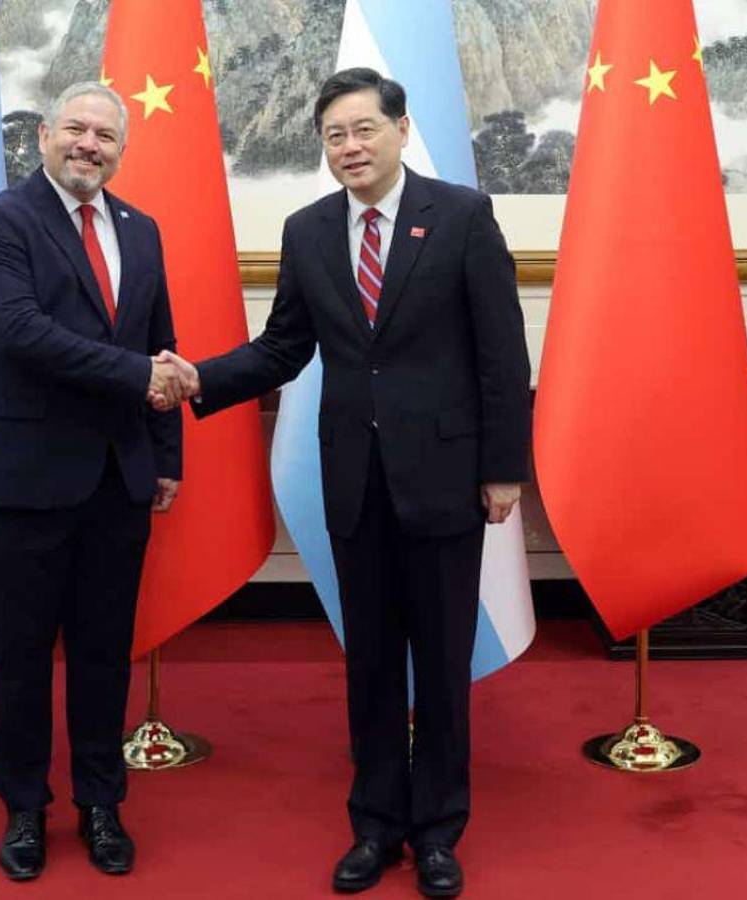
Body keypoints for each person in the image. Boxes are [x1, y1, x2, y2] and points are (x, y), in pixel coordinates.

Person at [158, 68, 531, 898]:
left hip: (444, 478)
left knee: (441, 663)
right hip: (355, 482)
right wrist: (200, 379)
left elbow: (502, 354)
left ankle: (438, 832)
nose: (350, 147)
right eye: (335, 135)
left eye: (364, 129)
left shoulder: (462, 216)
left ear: (401, 129)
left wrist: (504, 467)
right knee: (369, 662)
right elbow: (284, 346)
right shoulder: (309, 230)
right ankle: (375, 825)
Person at [0, 81, 192, 881]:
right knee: (21, 656)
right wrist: (138, 377)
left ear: (121, 151)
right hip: (21, 478)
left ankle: (100, 804)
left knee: (104, 655)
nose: (90, 145)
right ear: (44, 135)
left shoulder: (141, 230)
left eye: (106, 136)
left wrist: (166, 456)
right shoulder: (0, 221)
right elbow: (18, 332)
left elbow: (160, 342)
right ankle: (24, 808)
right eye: (76, 129)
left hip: (118, 480)